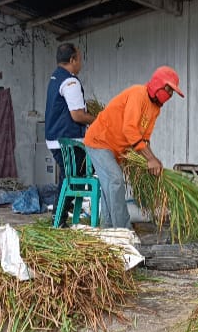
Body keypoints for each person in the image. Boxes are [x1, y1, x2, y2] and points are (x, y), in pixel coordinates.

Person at [84, 66, 184, 229]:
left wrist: (153, 159)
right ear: (158, 84)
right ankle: (124, 230)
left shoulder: (155, 109)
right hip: (99, 140)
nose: (170, 95)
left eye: (172, 92)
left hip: (115, 149)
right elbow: (129, 129)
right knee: (115, 180)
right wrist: (150, 158)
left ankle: (108, 230)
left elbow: (144, 138)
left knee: (109, 184)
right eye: (169, 89)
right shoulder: (138, 94)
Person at [44, 43, 96, 224]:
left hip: (56, 139)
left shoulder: (55, 77)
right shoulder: (70, 81)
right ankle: (59, 218)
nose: (80, 63)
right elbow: (77, 115)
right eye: (79, 59)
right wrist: (97, 121)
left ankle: (59, 218)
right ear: (72, 59)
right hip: (68, 141)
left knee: (67, 176)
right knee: (78, 175)